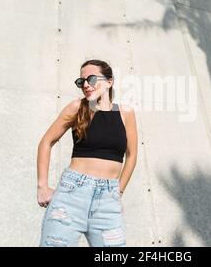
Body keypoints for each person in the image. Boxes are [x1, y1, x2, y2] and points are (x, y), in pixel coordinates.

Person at [36, 59, 138, 247]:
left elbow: (131, 156)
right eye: (81, 82)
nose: (85, 85)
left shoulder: (126, 113)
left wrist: (117, 192)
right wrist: (42, 186)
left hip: (108, 201)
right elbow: (46, 142)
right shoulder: (77, 108)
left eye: (91, 79)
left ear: (109, 81)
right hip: (72, 194)